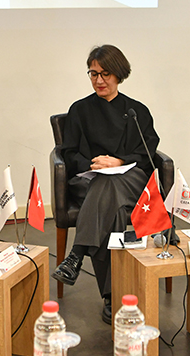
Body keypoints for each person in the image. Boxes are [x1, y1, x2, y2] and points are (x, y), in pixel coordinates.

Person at [52, 45, 160, 324]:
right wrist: (95, 165)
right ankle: (113, 296)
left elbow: (148, 153)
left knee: (110, 186)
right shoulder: (80, 110)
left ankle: (77, 254)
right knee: (110, 205)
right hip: (91, 179)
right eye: (93, 74)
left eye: (105, 74)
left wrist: (119, 161)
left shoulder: (137, 111)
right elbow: (69, 152)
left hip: (131, 179)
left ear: (119, 74)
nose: (99, 80)